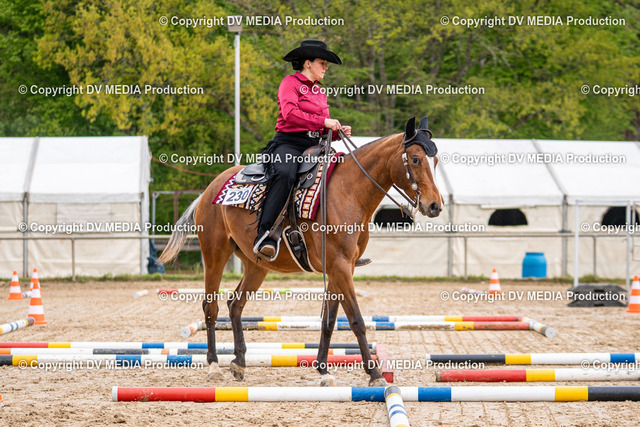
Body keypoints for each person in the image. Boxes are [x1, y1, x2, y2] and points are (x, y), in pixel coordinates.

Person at [254, 40, 351, 258]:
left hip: (316, 146)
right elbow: (290, 114)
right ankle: (265, 235)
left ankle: (343, 245)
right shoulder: (289, 83)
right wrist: (324, 122)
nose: (325, 68)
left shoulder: (319, 91)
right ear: (307, 63)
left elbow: (320, 127)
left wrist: (337, 132)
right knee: (285, 174)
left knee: (341, 175)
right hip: (289, 143)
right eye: (322, 63)